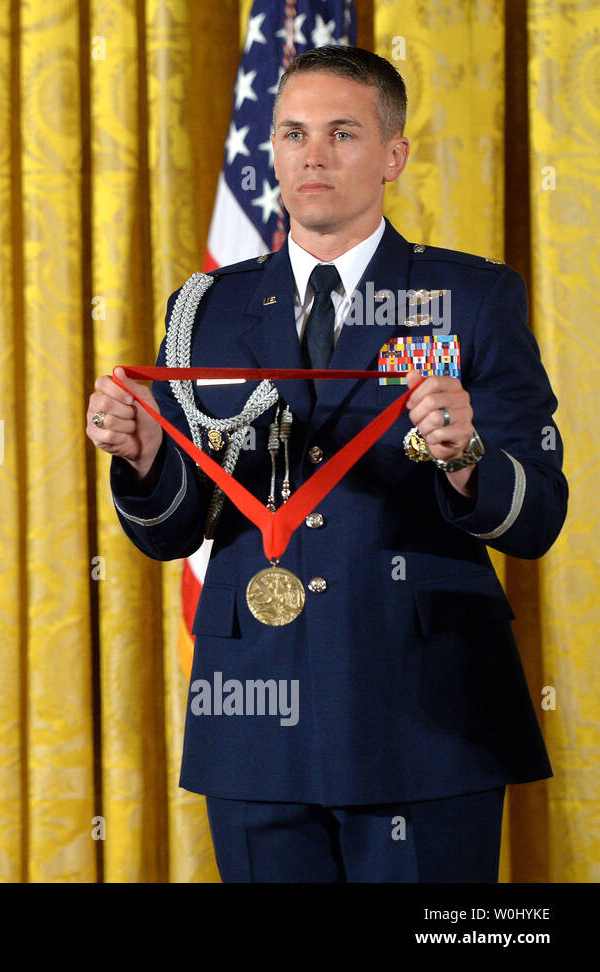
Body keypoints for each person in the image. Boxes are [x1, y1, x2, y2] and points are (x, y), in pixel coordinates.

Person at [85, 46, 565, 882]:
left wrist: (466, 458)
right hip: (255, 709)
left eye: (343, 133)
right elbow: (174, 531)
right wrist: (148, 456)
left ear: (393, 156)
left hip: (423, 713)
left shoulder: (470, 298)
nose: (313, 155)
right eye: (293, 133)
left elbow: (541, 515)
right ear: (267, 149)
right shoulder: (209, 306)